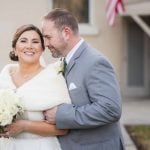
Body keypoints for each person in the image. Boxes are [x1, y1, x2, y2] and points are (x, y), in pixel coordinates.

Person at [42, 8, 125, 150]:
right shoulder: (66, 61)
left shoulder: (95, 62)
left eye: (48, 37)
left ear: (66, 33)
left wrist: (60, 115)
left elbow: (110, 109)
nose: (46, 44)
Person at [0, 24, 71, 150]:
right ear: (15, 49)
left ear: (42, 49)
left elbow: (63, 128)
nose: (29, 46)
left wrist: (24, 126)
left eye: (35, 42)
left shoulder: (52, 77)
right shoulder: (5, 75)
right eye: (23, 41)